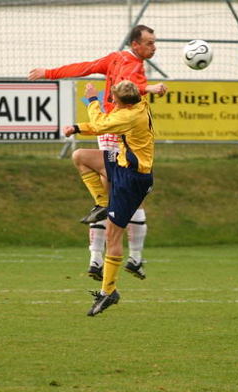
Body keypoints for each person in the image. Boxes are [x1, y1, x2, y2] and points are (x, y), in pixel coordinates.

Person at [28, 25, 167, 282]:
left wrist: (49, 72)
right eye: (149, 43)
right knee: (125, 196)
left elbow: (84, 67)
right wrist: (150, 88)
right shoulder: (133, 66)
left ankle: (96, 258)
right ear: (135, 45)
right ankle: (132, 258)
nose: (153, 47)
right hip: (118, 133)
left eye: (154, 42)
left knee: (111, 194)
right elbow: (132, 85)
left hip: (107, 130)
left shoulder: (114, 57)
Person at [63, 80, 154, 316]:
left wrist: (92, 99)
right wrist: (77, 127)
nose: (111, 102)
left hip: (132, 179)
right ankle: (101, 203)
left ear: (123, 102)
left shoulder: (128, 117)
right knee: (81, 156)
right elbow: (102, 124)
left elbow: (101, 124)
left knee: (113, 236)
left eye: (114, 100)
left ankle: (108, 291)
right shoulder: (139, 105)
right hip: (121, 164)